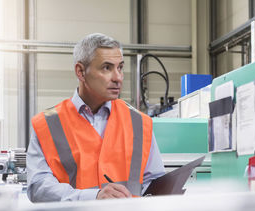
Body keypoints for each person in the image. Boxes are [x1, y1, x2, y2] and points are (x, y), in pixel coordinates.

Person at [26, 33, 165, 202]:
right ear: (81, 72)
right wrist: (93, 197)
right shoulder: (47, 124)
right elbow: (39, 187)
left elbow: (155, 183)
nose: (118, 78)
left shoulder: (140, 123)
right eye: (107, 68)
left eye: (120, 67)